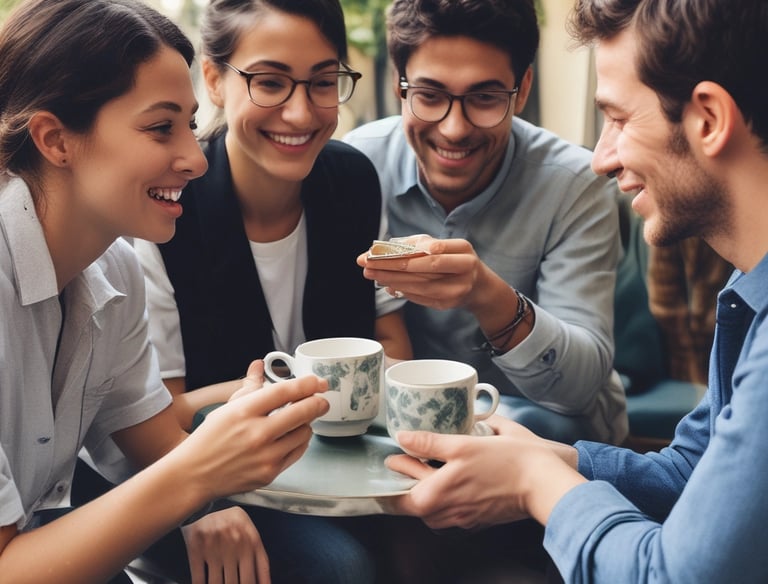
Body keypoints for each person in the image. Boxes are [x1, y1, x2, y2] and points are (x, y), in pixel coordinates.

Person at [384, 0, 768, 581]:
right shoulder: (748, 289)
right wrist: (547, 459)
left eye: (616, 119)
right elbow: (688, 469)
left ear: (709, 120)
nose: (601, 158)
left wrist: (534, 480)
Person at [0, 1, 329, 583]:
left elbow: (148, 435)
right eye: (160, 128)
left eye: (190, 125)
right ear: (55, 139)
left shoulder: (116, 268)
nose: (196, 160)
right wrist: (199, 477)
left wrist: (238, 438)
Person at [128, 0, 411, 582]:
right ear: (213, 78)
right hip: (210, 477)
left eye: (324, 83)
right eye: (271, 82)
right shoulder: (165, 211)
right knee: (343, 567)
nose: (301, 112)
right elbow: (160, 418)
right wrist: (303, 391)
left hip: (341, 463)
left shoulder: (355, 181)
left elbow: (389, 337)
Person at [347, 0, 627, 446]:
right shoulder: (356, 167)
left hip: (546, 431)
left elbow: (579, 389)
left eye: (485, 98)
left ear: (524, 89)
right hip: (394, 432)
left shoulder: (575, 184)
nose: (455, 129)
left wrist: (487, 295)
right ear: (399, 88)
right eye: (430, 96)